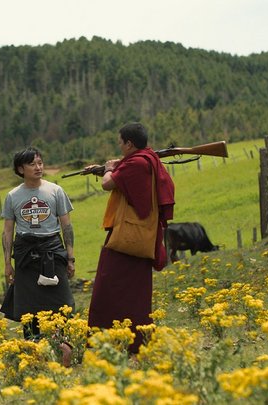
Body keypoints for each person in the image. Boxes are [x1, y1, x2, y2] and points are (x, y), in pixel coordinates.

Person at [87, 122, 175, 354]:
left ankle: (109, 340)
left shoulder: (136, 163)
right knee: (134, 291)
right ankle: (134, 339)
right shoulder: (146, 159)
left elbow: (108, 184)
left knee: (106, 287)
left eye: (121, 142)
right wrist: (115, 165)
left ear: (129, 143)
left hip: (128, 236)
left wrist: (108, 168)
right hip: (140, 234)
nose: (120, 146)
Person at [1, 147, 75, 366]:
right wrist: (7, 263)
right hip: (25, 254)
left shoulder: (55, 191)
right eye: (33, 164)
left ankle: (64, 349)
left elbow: (67, 226)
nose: (38, 167)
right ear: (20, 169)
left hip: (52, 250)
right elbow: (7, 231)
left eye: (40, 163)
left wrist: (70, 258)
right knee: (28, 308)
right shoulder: (13, 196)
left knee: (61, 303)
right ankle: (34, 354)